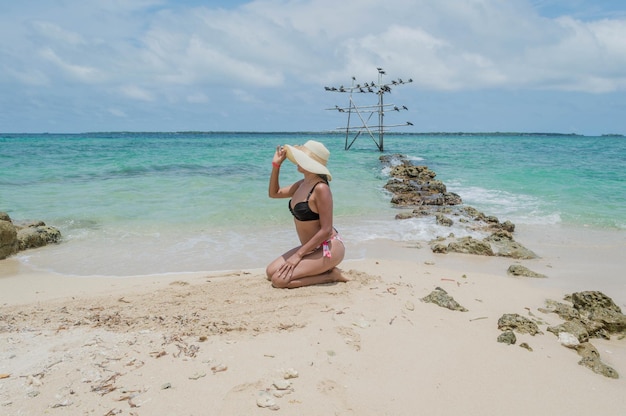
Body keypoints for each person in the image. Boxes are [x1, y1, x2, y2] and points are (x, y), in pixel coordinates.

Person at [266, 140, 347, 288]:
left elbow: (326, 230)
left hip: (328, 248)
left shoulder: (321, 188)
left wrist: (298, 256)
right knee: (270, 272)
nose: (297, 161)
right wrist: (276, 165)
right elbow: (274, 193)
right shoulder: (301, 184)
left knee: (279, 280)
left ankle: (330, 275)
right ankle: (318, 268)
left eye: (301, 158)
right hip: (310, 248)